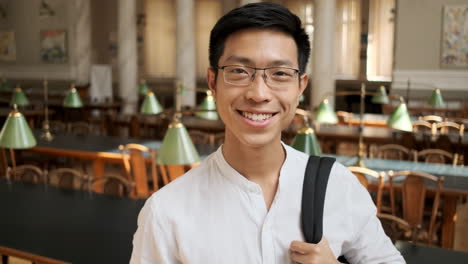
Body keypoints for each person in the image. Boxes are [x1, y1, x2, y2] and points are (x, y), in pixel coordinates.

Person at [130, 3, 404, 264]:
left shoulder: (338, 186)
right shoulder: (167, 211)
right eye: (238, 71)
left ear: (300, 86)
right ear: (213, 83)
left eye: (280, 73)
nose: (259, 94)